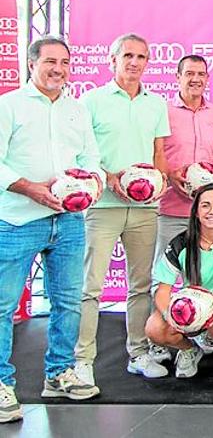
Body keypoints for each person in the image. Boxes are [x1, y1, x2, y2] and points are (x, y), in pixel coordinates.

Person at [0, 37, 101, 422]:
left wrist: (90, 181)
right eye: (50, 62)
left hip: (69, 221)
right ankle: (1, 383)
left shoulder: (76, 109)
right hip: (17, 219)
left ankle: (59, 372)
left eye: (65, 62)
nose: (58, 69)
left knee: (68, 301)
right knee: (3, 305)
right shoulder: (9, 106)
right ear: (31, 64)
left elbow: (90, 156)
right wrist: (30, 188)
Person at [75, 33, 172, 384]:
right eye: (128, 55)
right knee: (91, 287)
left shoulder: (155, 104)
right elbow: (82, 154)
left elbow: (159, 152)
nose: (134, 62)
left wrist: (158, 181)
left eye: (141, 57)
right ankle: (82, 360)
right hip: (103, 205)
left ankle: (139, 352)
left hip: (145, 209)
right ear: (112, 59)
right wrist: (108, 176)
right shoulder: (91, 102)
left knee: (141, 284)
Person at [145, 185, 213, 379]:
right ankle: (189, 350)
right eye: (206, 205)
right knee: (154, 328)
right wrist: (168, 314)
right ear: (196, 211)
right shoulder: (180, 243)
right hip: (192, 308)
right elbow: (162, 290)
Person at [158, 55, 213, 282]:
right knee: (162, 279)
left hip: (206, 215)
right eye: (189, 74)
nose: (195, 79)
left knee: (201, 279)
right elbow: (154, 152)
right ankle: (157, 319)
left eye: (200, 74)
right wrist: (170, 176)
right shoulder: (163, 111)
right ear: (178, 77)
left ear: (207, 78)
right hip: (169, 209)